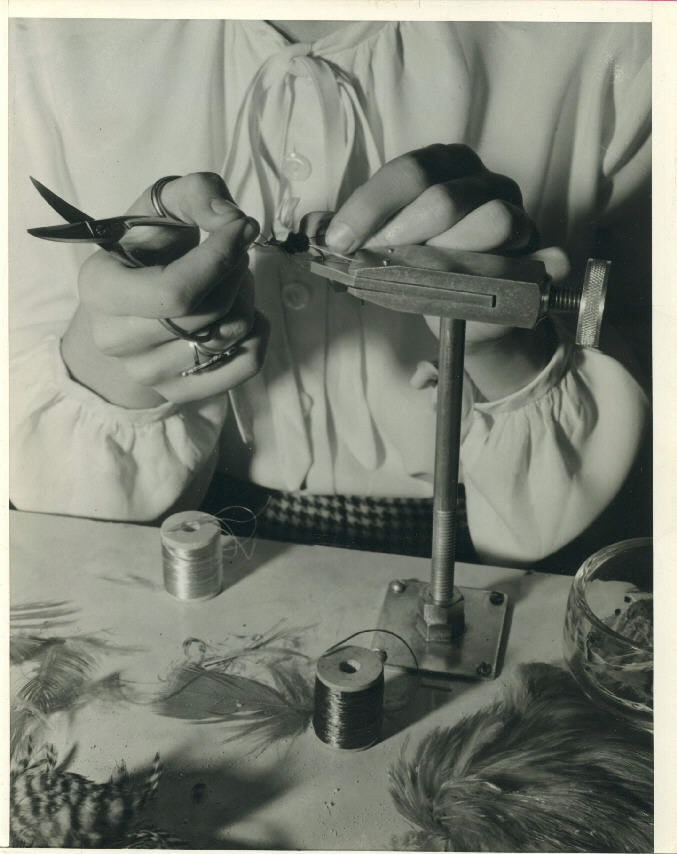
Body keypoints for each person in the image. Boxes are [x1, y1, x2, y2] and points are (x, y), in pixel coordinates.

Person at [8, 18, 651, 568]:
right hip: (171, 536)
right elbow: (38, 494)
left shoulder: (618, 37)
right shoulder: (38, 36)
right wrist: (117, 358)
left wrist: (505, 347)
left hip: (501, 553)